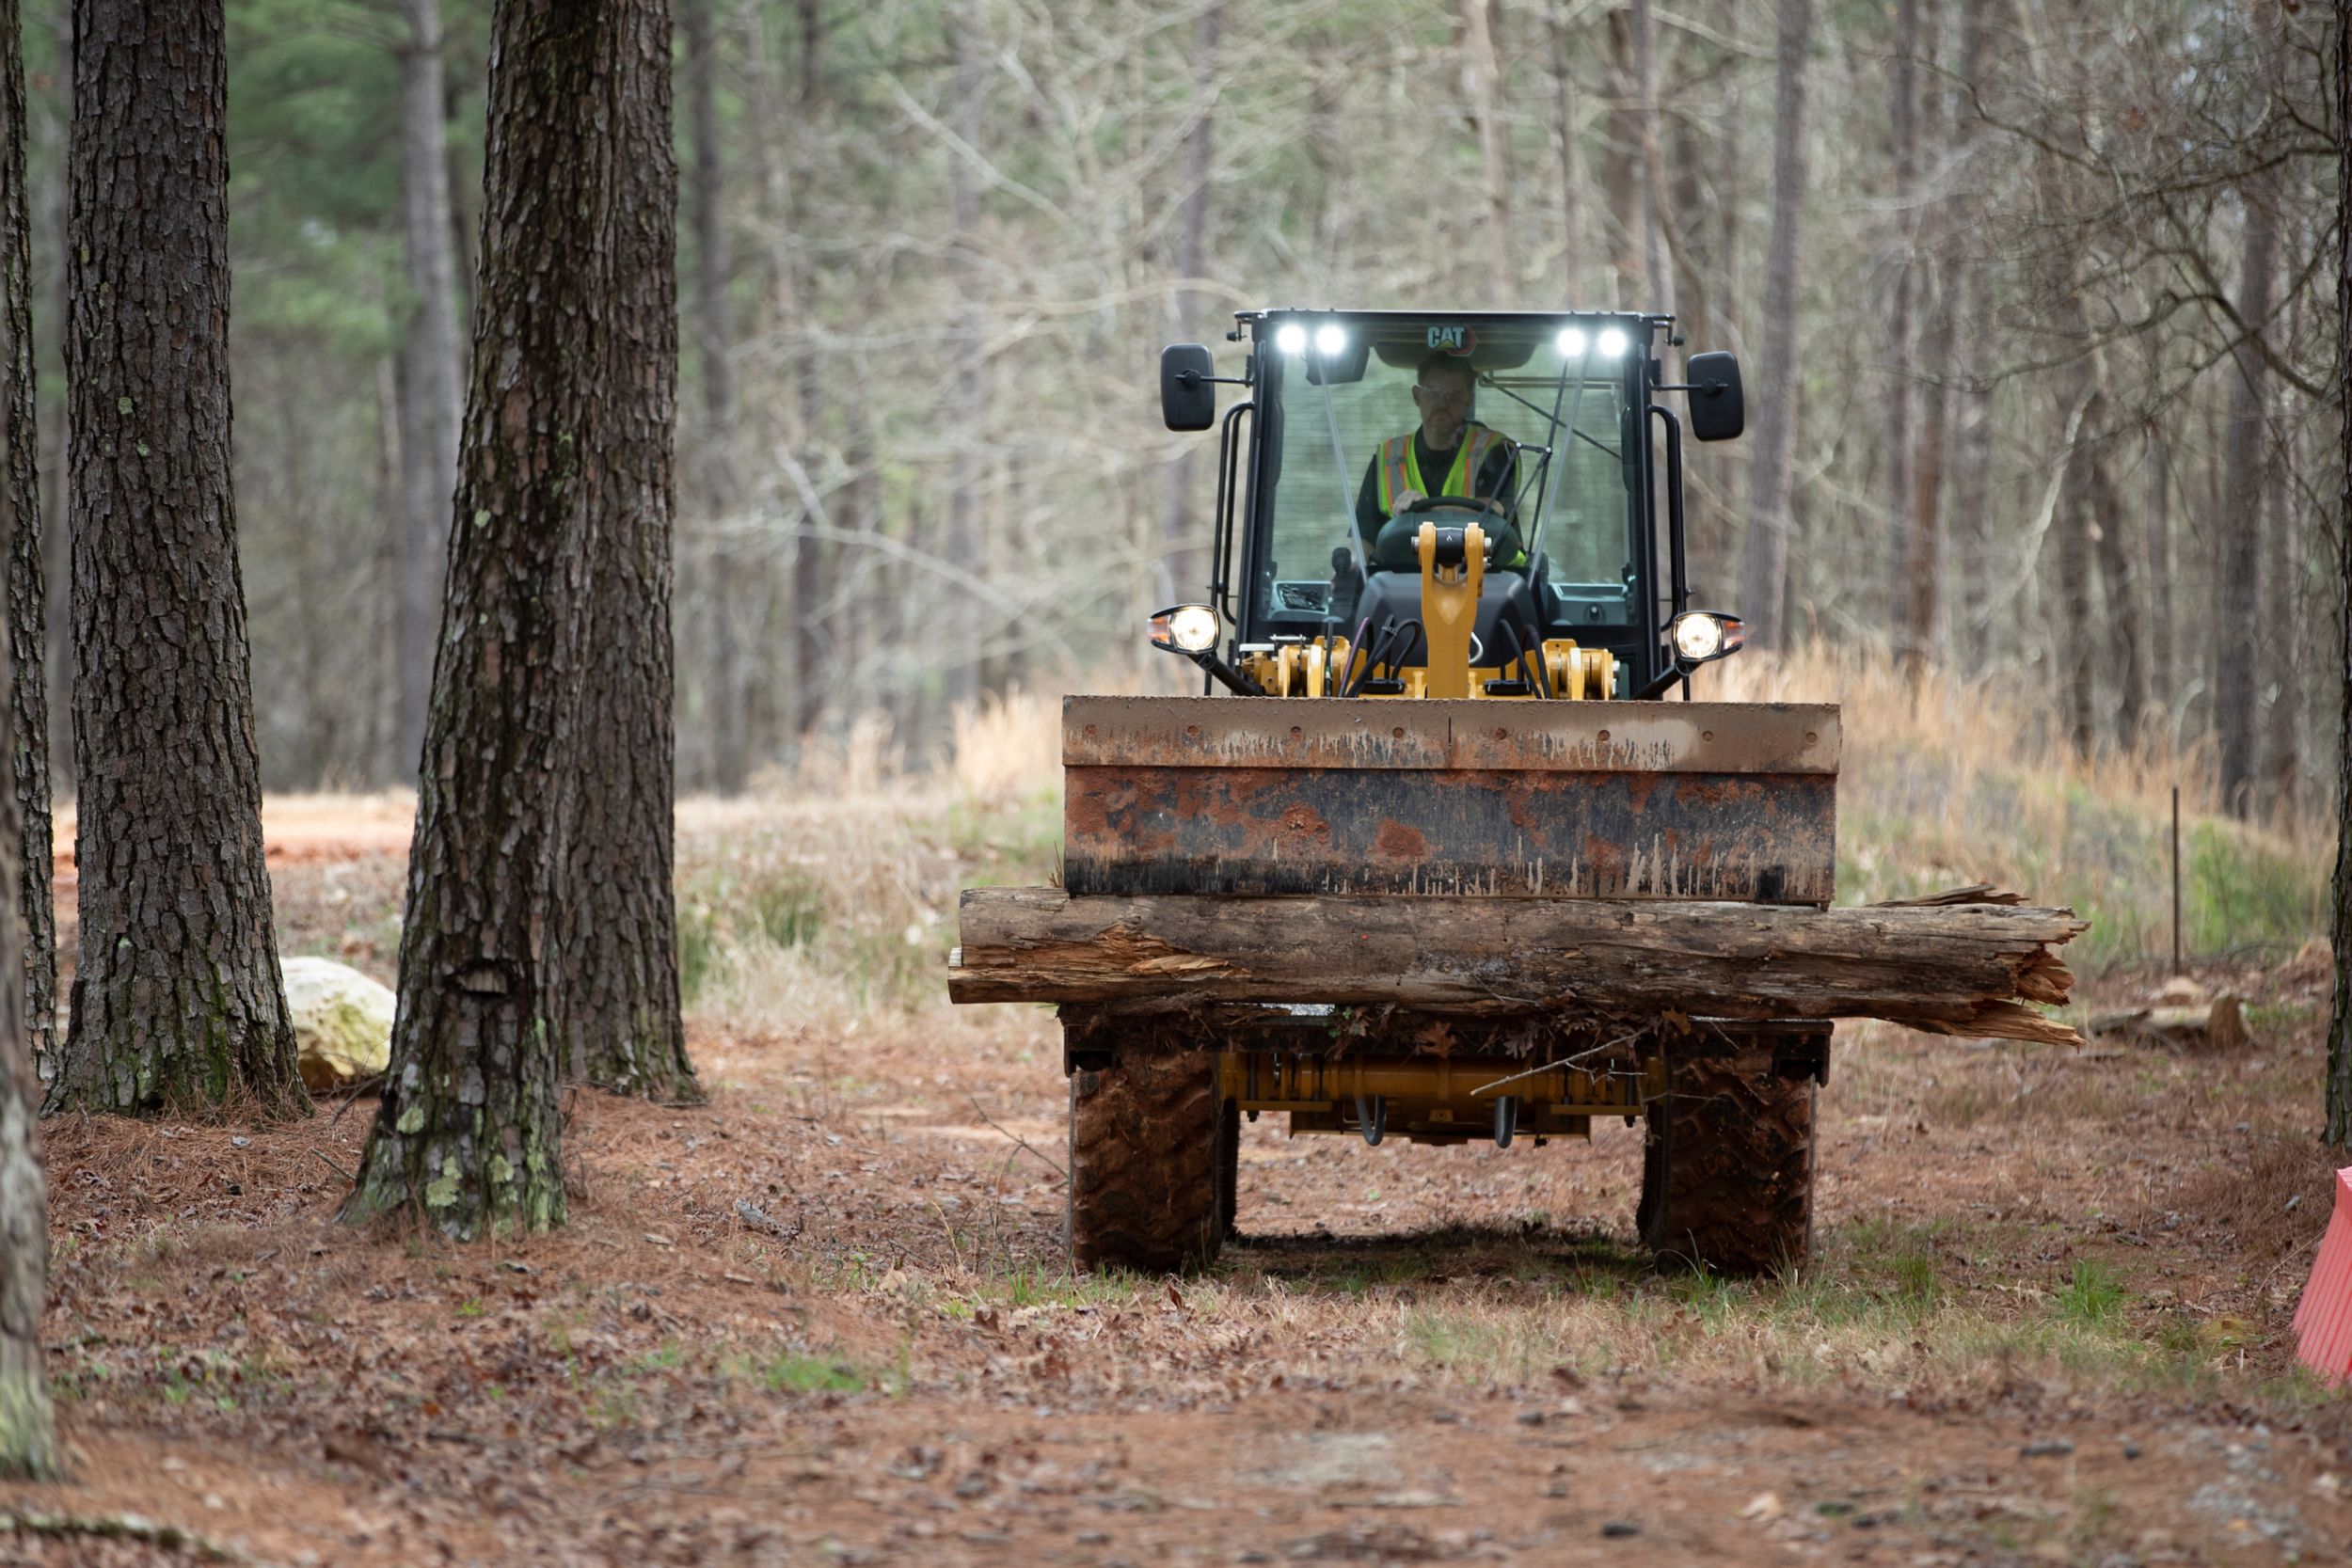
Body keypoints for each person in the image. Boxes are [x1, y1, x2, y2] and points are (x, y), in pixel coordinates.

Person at [1354, 352, 1521, 566]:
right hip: (1402, 579)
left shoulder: (1496, 450)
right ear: (1417, 396)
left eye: (1454, 395)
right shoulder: (1388, 457)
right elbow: (1363, 536)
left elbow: (1493, 509)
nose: (1443, 403)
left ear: (1468, 400)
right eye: (1433, 393)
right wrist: (1351, 570)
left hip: (1491, 575)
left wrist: (1424, 510)